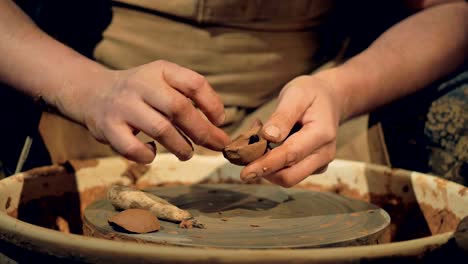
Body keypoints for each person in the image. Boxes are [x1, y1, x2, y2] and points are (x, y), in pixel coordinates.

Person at [0, 0, 467, 186]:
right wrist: (83, 86)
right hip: (82, 101)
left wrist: (340, 89)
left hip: (304, 112)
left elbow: (453, 13)